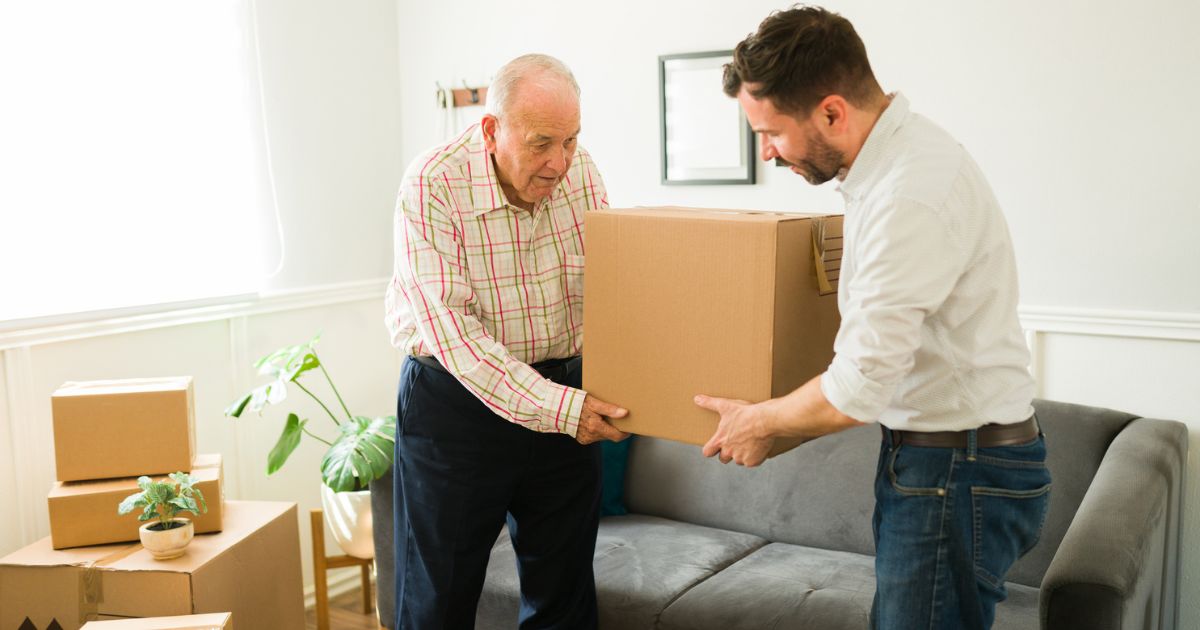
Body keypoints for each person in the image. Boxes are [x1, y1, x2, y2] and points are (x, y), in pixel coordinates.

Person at [694, 7, 1051, 630]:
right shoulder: (889, 168)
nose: (767, 152)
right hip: (944, 462)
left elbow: (858, 388)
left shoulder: (908, 194)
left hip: (956, 471)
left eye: (771, 132)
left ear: (832, 111)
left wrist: (759, 422)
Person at [384, 53, 628, 630]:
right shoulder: (432, 184)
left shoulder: (582, 172)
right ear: (491, 131)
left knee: (564, 600)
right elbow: (458, 340)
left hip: (562, 394)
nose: (560, 163)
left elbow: (612, 292)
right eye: (542, 143)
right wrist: (565, 409)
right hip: (456, 405)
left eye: (570, 141)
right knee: (437, 601)